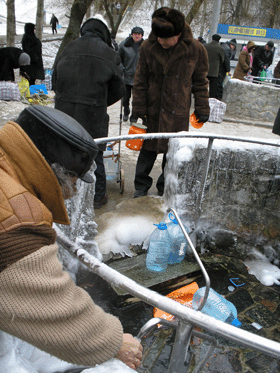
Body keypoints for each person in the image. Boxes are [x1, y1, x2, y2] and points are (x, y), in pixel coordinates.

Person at [0, 105, 142, 370]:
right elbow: (49, 307)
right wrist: (114, 343)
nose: (74, 192)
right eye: (76, 181)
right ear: (54, 171)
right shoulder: (17, 217)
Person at [131, 7, 210, 198]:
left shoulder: (196, 50)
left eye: (167, 39)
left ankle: (164, 187)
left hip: (178, 110)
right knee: (147, 150)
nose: (162, 42)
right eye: (159, 38)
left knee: (172, 153)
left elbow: (200, 82)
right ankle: (141, 186)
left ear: (179, 34)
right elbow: (140, 81)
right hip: (152, 109)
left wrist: (202, 107)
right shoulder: (147, 47)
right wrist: (138, 110)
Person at [52, 18, 125, 209]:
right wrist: (100, 102)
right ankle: (98, 197)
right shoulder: (109, 53)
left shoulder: (68, 48)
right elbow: (119, 89)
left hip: (64, 112)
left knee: (64, 153)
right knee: (94, 155)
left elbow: (54, 80)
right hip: (93, 114)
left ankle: (62, 193)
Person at [118, 26, 144, 122]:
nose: (137, 36)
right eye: (135, 34)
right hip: (127, 76)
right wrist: (122, 68)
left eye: (139, 34)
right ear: (132, 34)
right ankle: (126, 110)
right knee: (125, 98)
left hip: (139, 78)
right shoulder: (124, 45)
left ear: (142, 36)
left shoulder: (145, 46)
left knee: (137, 100)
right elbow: (117, 58)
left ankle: (134, 116)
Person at [204, 34, 225, 99]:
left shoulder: (206, 46)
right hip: (214, 72)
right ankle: (210, 100)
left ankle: (202, 97)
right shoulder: (220, 48)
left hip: (205, 69)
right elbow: (222, 60)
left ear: (212, 38)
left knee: (203, 85)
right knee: (213, 88)